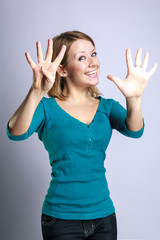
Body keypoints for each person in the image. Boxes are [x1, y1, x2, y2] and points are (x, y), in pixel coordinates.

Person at [6, 31, 157, 240]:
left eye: (94, 54)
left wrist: (134, 98)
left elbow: (135, 130)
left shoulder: (107, 107)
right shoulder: (46, 108)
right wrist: (36, 90)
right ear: (62, 70)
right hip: (60, 220)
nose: (93, 62)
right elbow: (15, 132)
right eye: (82, 57)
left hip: (104, 217)